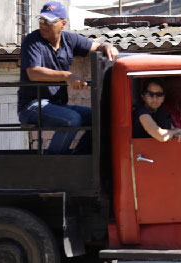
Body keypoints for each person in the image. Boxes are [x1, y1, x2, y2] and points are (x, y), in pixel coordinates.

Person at [18, 1, 119, 154]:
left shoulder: (70, 40)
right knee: (72, 120)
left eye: (49, 21)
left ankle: (78, 156)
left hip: (57, 105)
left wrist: (107, 46)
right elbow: (33, 73)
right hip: (31, 106)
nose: (43, 25)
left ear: (62, 23)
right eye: (41, 20)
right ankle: (53, 163)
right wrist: (67, 76)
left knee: (99, 117)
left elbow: (96, 46)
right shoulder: (32, 41)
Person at [133, 78, 181, 142]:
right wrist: (178, 130)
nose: (154, 99)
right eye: (150, 94)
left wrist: (180, 135)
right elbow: (162, 136)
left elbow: (171, 132)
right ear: (143, 96)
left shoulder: (162, 113)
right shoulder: (141, 112)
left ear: (164, 97)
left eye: (159, 95)